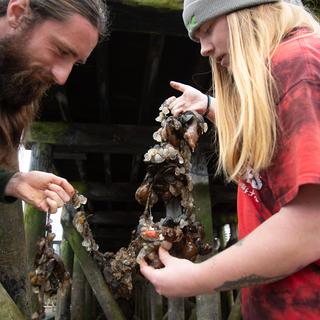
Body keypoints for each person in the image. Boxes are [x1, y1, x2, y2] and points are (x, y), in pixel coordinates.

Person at [139, 1, 320, 319]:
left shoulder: (298, 65)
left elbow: (311, 225)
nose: (204, 50)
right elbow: (277, 133)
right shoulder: (287, 66)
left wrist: (197, 278)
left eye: (207, 30)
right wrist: (210, 105)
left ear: (249, 11)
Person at [0, 0, 108, 213]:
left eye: (75, 63)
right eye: (60, 51)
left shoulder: (14, 84)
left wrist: (10, 182)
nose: (62, 77)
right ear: (18, 12)